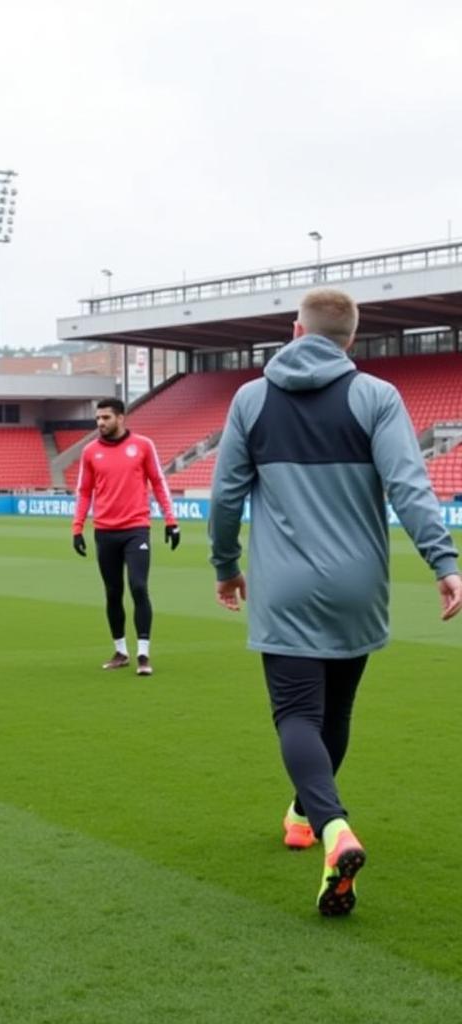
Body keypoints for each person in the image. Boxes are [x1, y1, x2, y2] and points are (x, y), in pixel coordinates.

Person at [209, 287, 461, 917]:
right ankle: (303, 814)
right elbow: (410, 487)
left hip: (285, 588)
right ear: (352, 337)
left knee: (296, 715)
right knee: (337, 710)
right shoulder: (376, 396)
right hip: (359, 585)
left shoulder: (251, 398)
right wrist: (444, 562)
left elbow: (224, 499)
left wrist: (225, 567)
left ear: (296, 330)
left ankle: (333, 827)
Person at [72, 397, 180, 675]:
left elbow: (158, 481)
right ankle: (121, 651)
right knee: (113, 592)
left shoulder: (143, 446)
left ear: (121, 418)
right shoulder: (89, 451)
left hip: (136, 528)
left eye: (105, 418)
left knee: (139, 587)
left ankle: (143, 654)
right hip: (104, 531)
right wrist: (77, 527)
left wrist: (171, 520)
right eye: (97, 419)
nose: (100, 423)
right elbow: (84, 491)